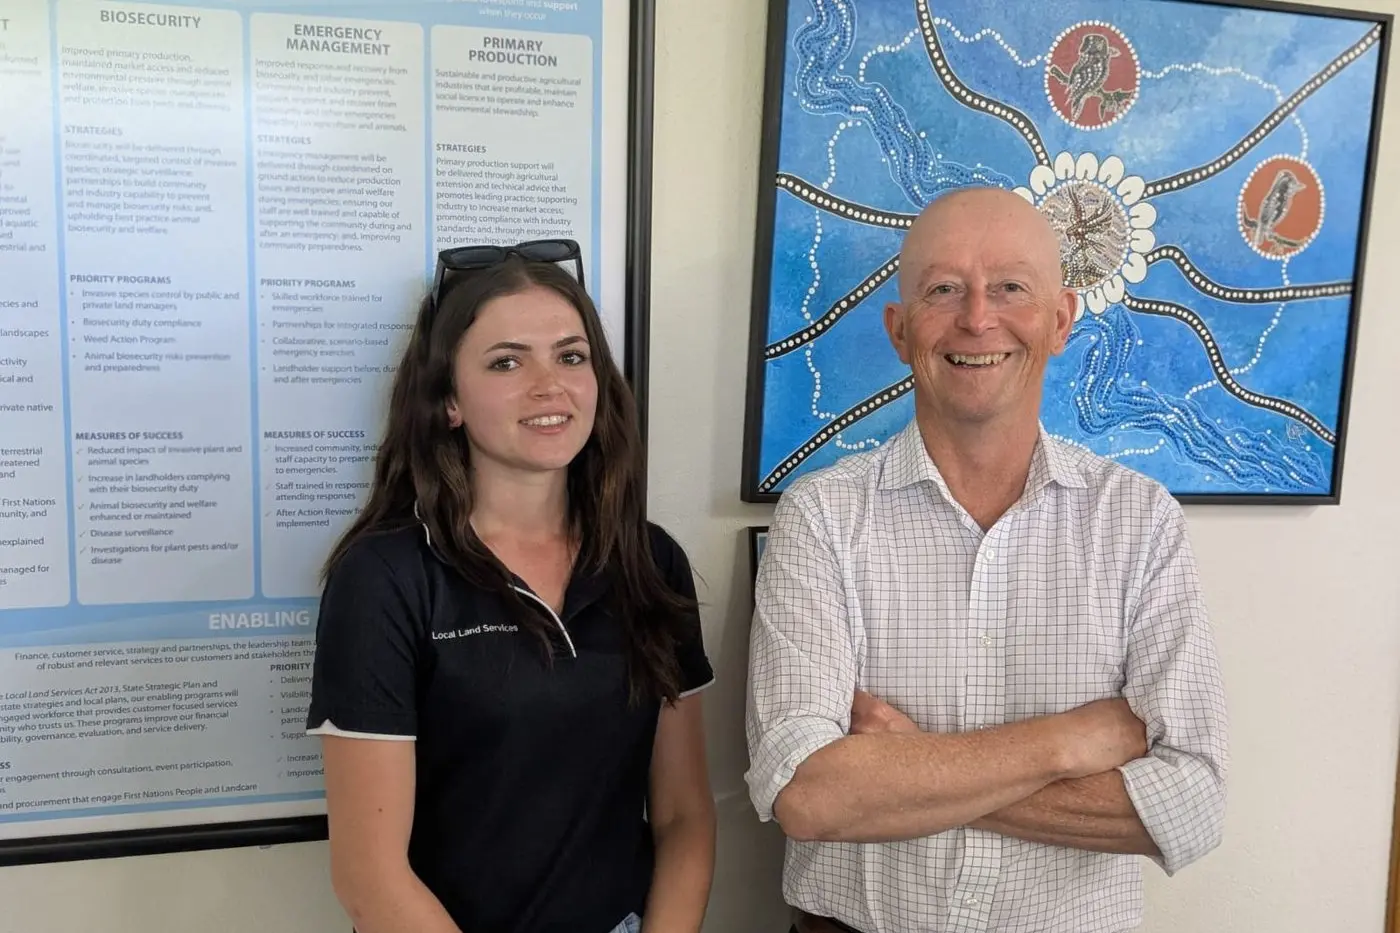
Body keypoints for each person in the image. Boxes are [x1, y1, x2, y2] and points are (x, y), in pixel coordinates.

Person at [745, 188, 1228, 933]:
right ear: (900, 330)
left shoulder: (1138, 521)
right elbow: (806, 794)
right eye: (944, 289)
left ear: (1061, 319)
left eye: (1010, 287)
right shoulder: (821, 516)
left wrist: (908, 766)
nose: (977, 318)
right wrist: (1067, 743)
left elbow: (1191, 802)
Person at [306, 239, 717, 933]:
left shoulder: (649, 562)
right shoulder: (387, 577)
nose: (549, 385)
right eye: (506, 361)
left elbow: (683, 815)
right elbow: (369, 876)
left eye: (570, 355)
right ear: (449, 402)